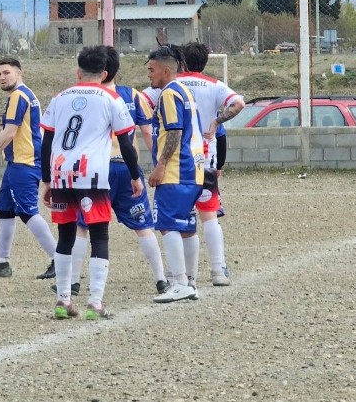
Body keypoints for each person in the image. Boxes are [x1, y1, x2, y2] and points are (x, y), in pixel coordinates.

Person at [52, 46, 169, 298]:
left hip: (94, 169)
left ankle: (72, 282)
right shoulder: (132, 95)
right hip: (125, 167)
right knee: (143, 225)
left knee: (83, 227)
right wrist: (158, 163)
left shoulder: (80, 98)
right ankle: (160, 278)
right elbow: (147, 132)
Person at [40, 45, 141, 320]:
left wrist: (46, 179)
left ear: (78, 71)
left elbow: (47, 141)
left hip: (61, 174)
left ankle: (63, 301)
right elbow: (126, 143)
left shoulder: (59, 98)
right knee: (99, 235)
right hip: (93, 175)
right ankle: (95, 303)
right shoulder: (112, 98)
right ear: (105, 72)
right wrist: (135, 176)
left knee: (66, 237)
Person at [0, 57, 57, 279]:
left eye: (6, 73)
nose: (1, 77)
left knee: (28, 211)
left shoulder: (19, 95)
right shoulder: (26, 94)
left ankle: (59, 259)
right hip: (17, 163)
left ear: (19, 73)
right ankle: (2, 263)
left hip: (24, 162)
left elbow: (10, 132)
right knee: (5, 210)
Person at [178, 42, 245, 287]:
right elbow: (238, 103)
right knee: (209, 215)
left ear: (181, 61)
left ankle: (185, 275)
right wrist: (216, 121)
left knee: (181, 217)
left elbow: (144, 102)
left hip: (177, 160)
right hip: (206, 158)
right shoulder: (215, 85)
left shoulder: (172, 84)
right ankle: (218, 270)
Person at [146, 47, 205, 304]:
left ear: (166, 70)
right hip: (195, 169)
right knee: (187, 228)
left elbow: (175, 132)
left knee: (167, 225)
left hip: (176, 171)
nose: (148, 75)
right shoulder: (185, 91)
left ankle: (179, 282)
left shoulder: (169, 93)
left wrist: (161, 165)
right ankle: (190, 282)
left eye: (151, 70)